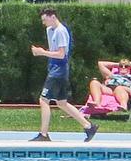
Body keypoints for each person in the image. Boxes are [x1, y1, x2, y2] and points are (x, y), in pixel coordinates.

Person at [30, 8, 96, 143]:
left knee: (43, 100)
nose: (43, 23)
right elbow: (53, 51)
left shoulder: (61, 31)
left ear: (53, 17)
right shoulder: (50, 30)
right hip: (54, 68)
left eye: (45, 20)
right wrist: (43, 53)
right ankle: (89, 126)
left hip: (59, 70)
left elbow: (61, 54)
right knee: (61, 103)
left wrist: (42, 52)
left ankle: (43, 134)